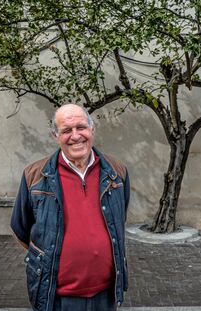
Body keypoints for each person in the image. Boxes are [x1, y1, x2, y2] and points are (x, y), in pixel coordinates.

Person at [10, 104, 130, 311]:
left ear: (92, 129)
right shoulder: (35, 175)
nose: (76, 136)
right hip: (55, 297)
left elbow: (118, 219)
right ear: (55, 135)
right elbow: (21, 228)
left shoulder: (117, 172)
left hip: (106, 295)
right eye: (66, 130)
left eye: (81, 127)